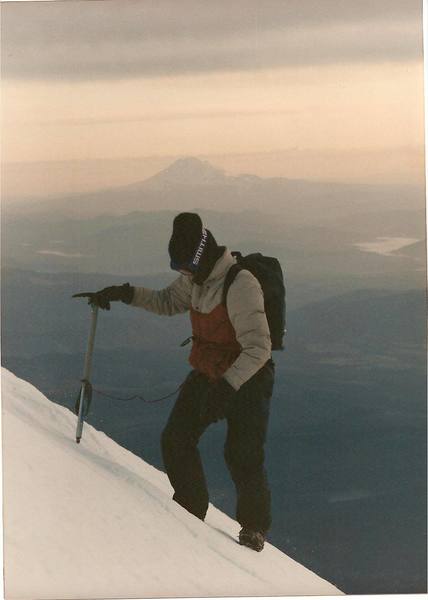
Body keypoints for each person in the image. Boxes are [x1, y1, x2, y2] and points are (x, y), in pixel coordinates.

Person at [84, 212, 275, 552]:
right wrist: (123, 293)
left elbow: (259, 347)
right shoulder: (196, 280)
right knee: (176, 438)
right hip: (209, 370)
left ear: (200, 257)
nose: (182, 273)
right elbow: (167, 301)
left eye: (185, 266)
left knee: (241, 453)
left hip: (248, 378)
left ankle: (254, 528)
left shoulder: (240, 283)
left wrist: (227, 387)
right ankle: (190, 511)